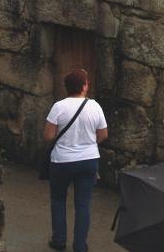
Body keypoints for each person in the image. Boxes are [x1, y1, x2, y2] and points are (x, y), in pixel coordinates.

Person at [44, 69, 108, 252]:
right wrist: (87, 143)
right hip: (88, 160)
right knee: (83, 204)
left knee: (58, 200)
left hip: (61, 161)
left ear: (67, 87)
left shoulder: (58, 107)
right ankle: (80, 246)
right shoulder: (95, 106)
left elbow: (48, 135)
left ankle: (59, 240)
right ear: (84, 86)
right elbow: (103, 135)